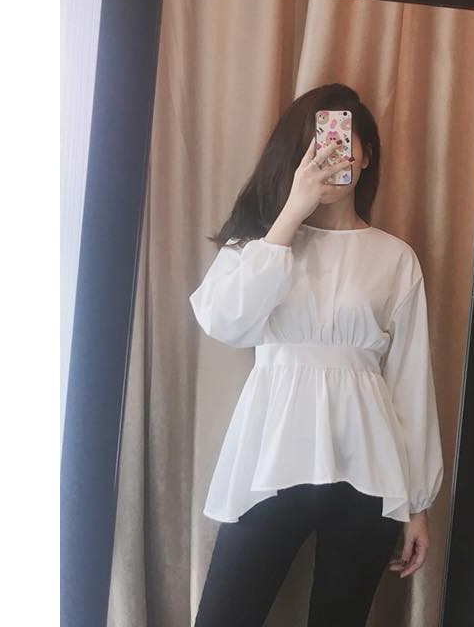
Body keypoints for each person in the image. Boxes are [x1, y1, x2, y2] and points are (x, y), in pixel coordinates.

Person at [190, 83, 444, 627]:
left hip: (367, 465)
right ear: (297, 154)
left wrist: (417, 503)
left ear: (366, 155)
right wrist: (291, 214)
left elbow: (410, 383)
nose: (332, 154)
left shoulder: (394, 258)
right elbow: (224, 322)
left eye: (343, 143)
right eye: (318, 144)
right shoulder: (259, 245)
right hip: (270, 456)